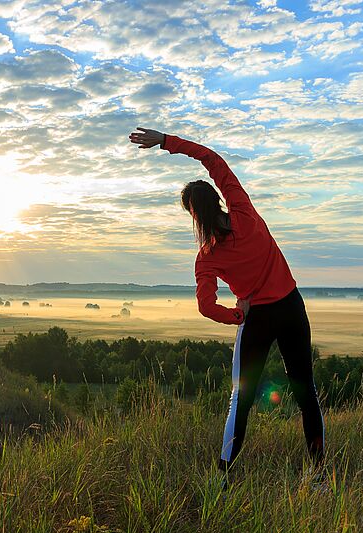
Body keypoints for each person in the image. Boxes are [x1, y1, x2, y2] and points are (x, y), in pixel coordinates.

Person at [128, 127, 326, 490]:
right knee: (305, 391)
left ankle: (222, 480)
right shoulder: (244, 212)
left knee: (242, 400)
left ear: (193, 216)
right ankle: (318, 477)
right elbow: (213, 160)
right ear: (217, 199)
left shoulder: (207, 257)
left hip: (257, 319)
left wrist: (237, 315)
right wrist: (167, 141)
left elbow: (206, 306)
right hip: (292, 307)